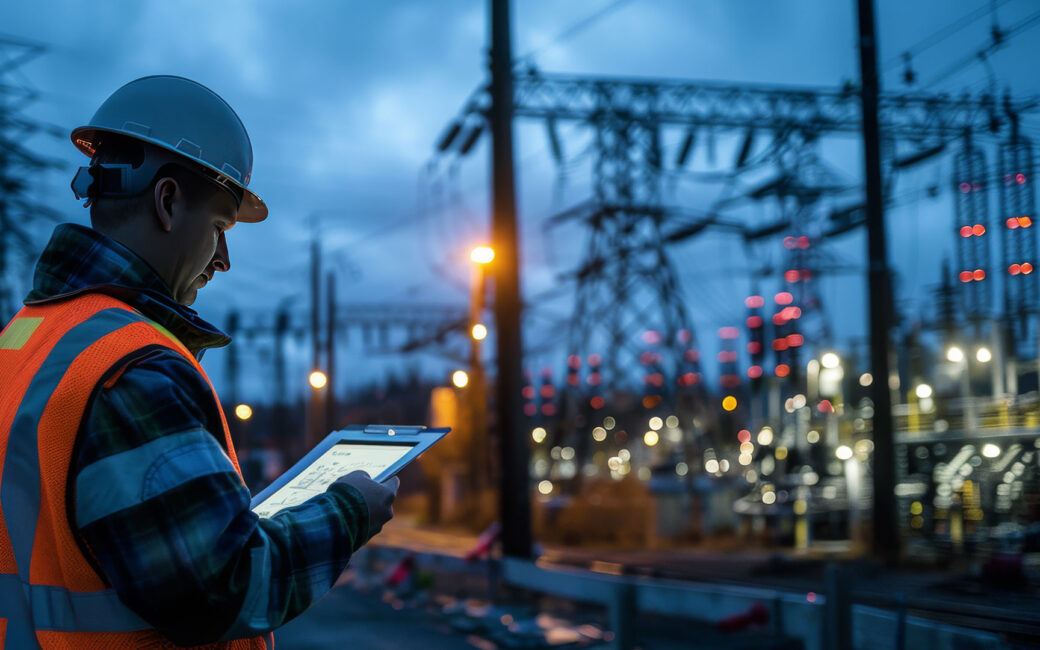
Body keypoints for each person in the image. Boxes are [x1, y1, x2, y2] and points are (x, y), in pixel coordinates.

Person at [0, 75, 399, 648]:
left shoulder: (27, 340)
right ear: (166, 202)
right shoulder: (132, 370)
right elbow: (224, 587)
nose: (224, 260)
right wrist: (349, 510)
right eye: (219, 228)